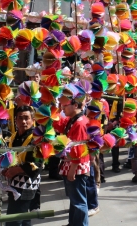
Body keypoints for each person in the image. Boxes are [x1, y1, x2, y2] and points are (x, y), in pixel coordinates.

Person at [54, 88, 90, 226]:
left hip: (76, 166)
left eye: (65, 105)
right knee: (75, 199)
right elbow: (58, 124)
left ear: (75, 105)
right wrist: (56, 109)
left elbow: (79, 150)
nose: (63, 108)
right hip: (72, 164)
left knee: (79, 201)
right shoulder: (74, 119)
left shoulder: (80, 123)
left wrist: (72, 169)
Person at [4, 106, 41, 226]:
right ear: (16, 120)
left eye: (27, 118)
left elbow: (38, 163)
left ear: (33, 120)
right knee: (24, 218)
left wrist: (16, 170)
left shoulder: (37, 138)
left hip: (27, 184)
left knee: (14, 220)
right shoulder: (14, 136)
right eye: (20, 118)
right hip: (14, 183)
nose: (23, 121)